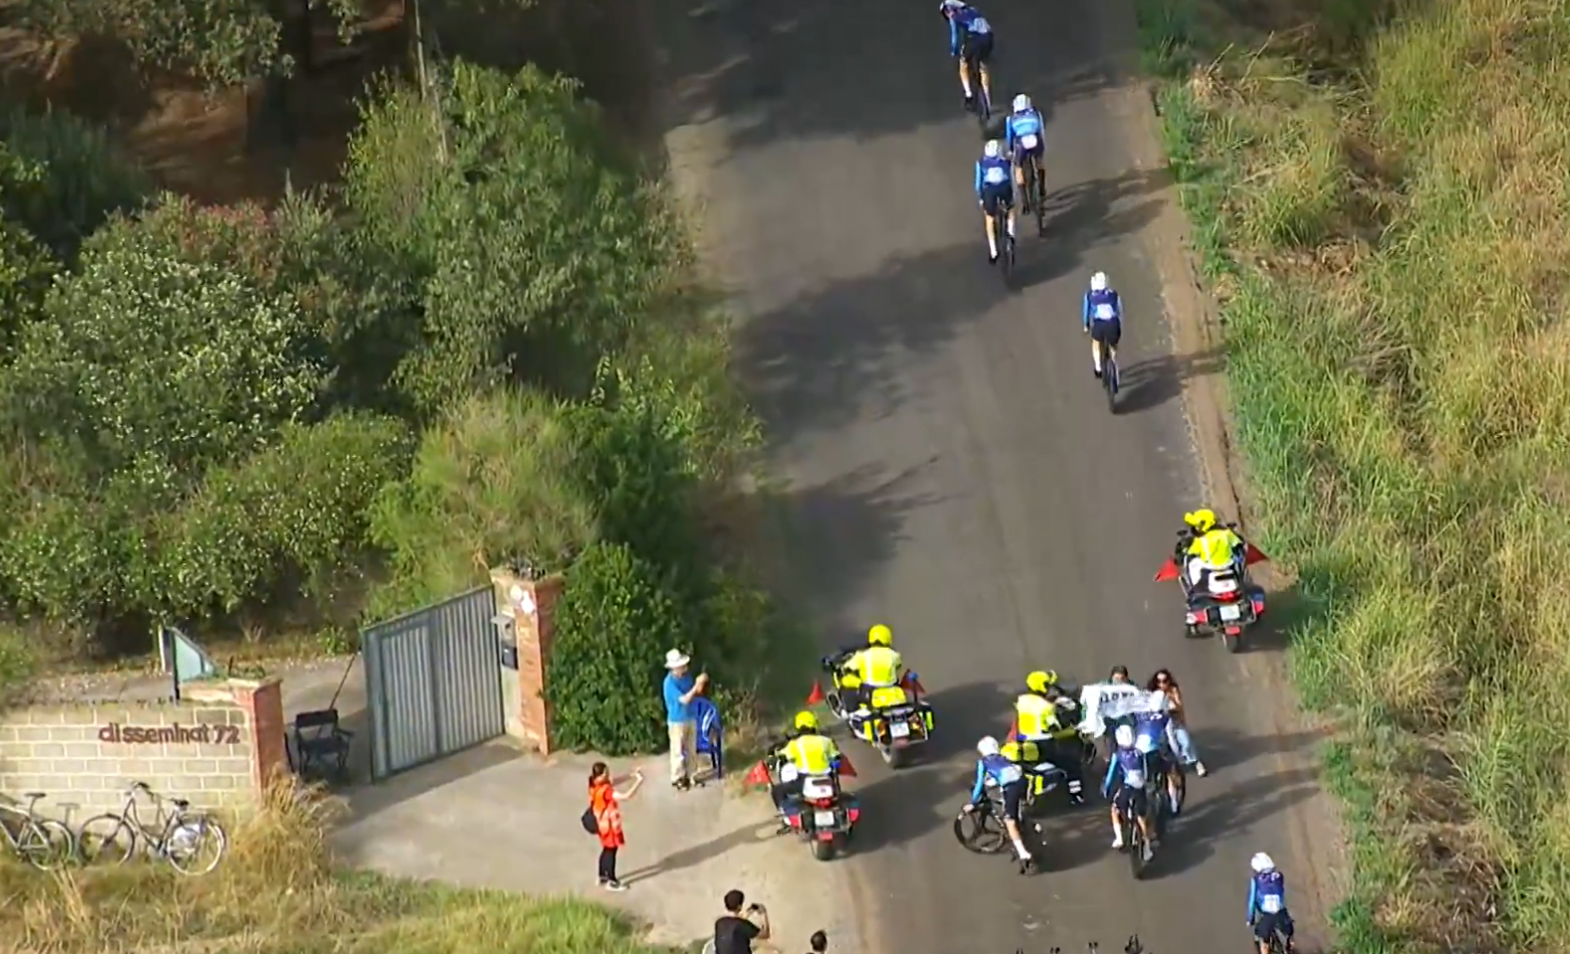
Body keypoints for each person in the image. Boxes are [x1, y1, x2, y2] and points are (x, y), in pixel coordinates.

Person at [964, 735, 1035, 872]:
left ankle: (1023, 853)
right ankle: (1029, 827)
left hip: (1011, 787)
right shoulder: (1004, 756)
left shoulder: (983, 762)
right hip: (1023, 782)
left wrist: (973, 803)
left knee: (1010, 822)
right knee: (1018, 808)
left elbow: (979, 784)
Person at [769, 711, 844, 829]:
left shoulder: (795, 744)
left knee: (778, 790)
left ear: (798, 726)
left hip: (804, 780)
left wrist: (774, 756)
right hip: (827, 779)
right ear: (814, 724)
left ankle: (786, 820)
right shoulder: (826, 741)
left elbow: (782, 755)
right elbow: (836, 757)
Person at [1102, 724, 1155, 861]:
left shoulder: (1118, 755)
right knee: (1141, 817)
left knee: (1115, 808)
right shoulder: (1140, 753)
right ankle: (1147, 848)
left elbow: (1111, 774)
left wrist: (1106, 789)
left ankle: (1119, 838)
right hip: (1140, 787)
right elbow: (1146, 771)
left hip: (1128, 787)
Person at [589, 761, 644, 891]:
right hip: (609, 826)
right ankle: (612, 880)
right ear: (601, 776)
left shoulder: (593, 784)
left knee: (605, 850)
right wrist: (638, 782)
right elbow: (626, 796)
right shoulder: (606, 791)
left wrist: (630, 775)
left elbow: (614, 781)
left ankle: (602, 875)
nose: (609, 776)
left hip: (601, 824)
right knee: (611, 852)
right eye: (606, 774)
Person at [1131, 690, 1183, 816]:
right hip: (1156, 753)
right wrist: (1178, 756)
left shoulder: (1140, 714)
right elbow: (1171, 739)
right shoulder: (1165, 718)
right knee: (1170, 773)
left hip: (1138, 752)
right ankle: (1174, 805)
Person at [663, 648, 709, 790]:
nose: (684, 668)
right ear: (674, 668)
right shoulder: (669, 683)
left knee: (691, 749)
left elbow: (696, 693)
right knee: (677, 750)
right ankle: (677, 777)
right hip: (677, 720)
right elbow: (684, 699)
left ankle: (691, 775)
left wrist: (701, 682)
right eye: (681, 666)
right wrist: (696, 685)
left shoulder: (687, 678)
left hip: (690, 717)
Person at [1149, 668, 1207, 776]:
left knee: (1186, 742)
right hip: (1160, 725)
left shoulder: (1173, 690)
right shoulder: (1153, 693)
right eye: (1159, 681)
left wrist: (1171, 700)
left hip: (1175, 723)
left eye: (1165, 681)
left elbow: (1179, 706)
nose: (1162, 684)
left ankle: (1195, 762)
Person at [938, 0, 994, 111]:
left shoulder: (953, 16)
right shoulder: (973, 10)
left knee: (963, 62)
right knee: (983, 65)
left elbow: (955, 37)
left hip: (975, 39)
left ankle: (968, 94)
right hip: (988, 37)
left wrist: (954, 51)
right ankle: (987, 99)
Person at [836, 624, 904, 712]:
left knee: (846, 681)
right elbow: (898, 665)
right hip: (892, 693)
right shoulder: (894, 655)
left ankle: (849, 710)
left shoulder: (862, 655)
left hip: (870, 693)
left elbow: (847, 667)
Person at [1181, 508, 1246, 590]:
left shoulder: (1201, 539)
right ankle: (1240, 580)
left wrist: (1185, 551)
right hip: (1228, 564)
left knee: (1193, 564)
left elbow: (1190, 552)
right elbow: (1238, 543)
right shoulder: (1226, 533)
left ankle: (1196, 587)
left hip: (1211, 566)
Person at [1246, 853, 1296, 954]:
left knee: (1263, 941)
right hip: (1282, 913)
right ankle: (1289, 946)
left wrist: (1250, 919)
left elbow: (1252, 902)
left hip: (1268, 916)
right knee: (1289, 934)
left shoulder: (1255, 881)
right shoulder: (1280, 876)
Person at [975, 140, 1015, 263]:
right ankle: (1011, 232)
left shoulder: (981, 163)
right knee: (1011, 209)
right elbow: (1011, 178)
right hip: (1004, 188)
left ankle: (993, 251)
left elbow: (978, 184)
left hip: (990, 191)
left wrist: (981, 198)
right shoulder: (1006, 162)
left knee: (989, 218)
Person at [1004, 93, 1045, 199]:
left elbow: (1010, 136)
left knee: (1018, 168)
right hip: (1035, 139)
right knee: (1039, 161)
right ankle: (1042, 187)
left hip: (1021, 143)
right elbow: (1041, 130)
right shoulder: (1036, 113)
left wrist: (1011, 150)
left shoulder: (1011, 118)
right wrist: (1042, 146)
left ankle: (1025, 202)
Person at [1082, 271, 1122, 379]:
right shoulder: (1114, 294)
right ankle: (1113, 362)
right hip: (1113, 323)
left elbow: (1086, 312)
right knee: (1113, 344)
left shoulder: (1089, 296)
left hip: (1099, 325)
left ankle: (1098, 368)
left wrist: (1086, 325)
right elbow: (1119, 311)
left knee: (1096, 344)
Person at [715, 889, 772, 954]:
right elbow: (765, 935)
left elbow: (733, 923)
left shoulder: (719, 922)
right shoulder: (742, 925)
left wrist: (748, 913)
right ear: (739, 906)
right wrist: (763, 914)